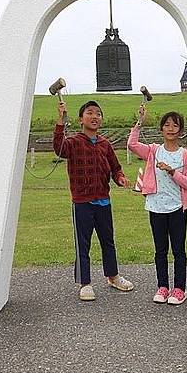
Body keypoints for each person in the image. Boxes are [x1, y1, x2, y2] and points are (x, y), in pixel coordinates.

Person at [53, 99, 134, 301]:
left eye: (98, 113)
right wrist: (61, 122)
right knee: (83, 243)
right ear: (81, 119)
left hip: (103, 201)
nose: (94, 116)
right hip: (82, 202)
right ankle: (85, 283)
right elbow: (59, 149)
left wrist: (120, 178)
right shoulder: (73, 142)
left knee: (108, 241)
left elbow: (116, 168)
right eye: (89, 113)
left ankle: (113, 276)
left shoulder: (105, 145)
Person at [127, 106, 187, 305]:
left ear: (181, 131)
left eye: (175, 125)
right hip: (156, 207)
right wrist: (139, 122)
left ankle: (179, 289)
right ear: (161, 129)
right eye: (167, 125)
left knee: (179, 250)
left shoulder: (185, 155)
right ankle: (163, 287)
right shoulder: (153, 151)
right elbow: (131, 144)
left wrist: (172, 172)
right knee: (160, 250)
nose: (171, 128)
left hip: (177, 209)